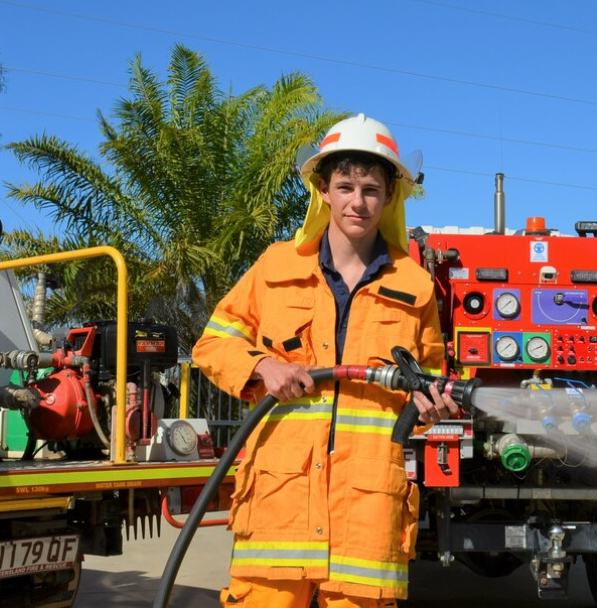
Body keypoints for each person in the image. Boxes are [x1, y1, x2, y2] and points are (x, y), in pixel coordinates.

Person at [192, 113, 458, 607]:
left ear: (390, 196)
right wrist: (261, 366)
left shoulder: (416, 287)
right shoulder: (275, 267)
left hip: (368, 508)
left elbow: (429, 382)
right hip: (279, 504)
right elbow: (212, 344)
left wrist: (431, 411)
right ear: (323, 189)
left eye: (372, 189)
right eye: (345, 186)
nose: (358, 202)